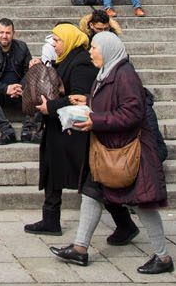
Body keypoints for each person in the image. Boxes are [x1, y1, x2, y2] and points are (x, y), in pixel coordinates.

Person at [50, 34, 173, 273]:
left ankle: (164, 257)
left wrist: (95, 120)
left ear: (107, 49)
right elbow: (111, 103)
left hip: (129, 152)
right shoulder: (107, 72)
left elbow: (132, 113)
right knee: (91, 193)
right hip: (108, 150)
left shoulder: (125, 75)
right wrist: (86, 103)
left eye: (94, 48)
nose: (91, 52)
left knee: (143, 204)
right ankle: (80, 248)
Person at [25, 23, 135, 240]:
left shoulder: (81, 61)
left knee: (92, 180)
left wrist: (51, 107)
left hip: (75, 132)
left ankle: (125, 223)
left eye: (57, 40)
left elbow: (81, 97)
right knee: (52, 171)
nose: (54, 45)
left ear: (69, 39)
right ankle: (50, 218)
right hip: (60, 129)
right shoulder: (66, 59)